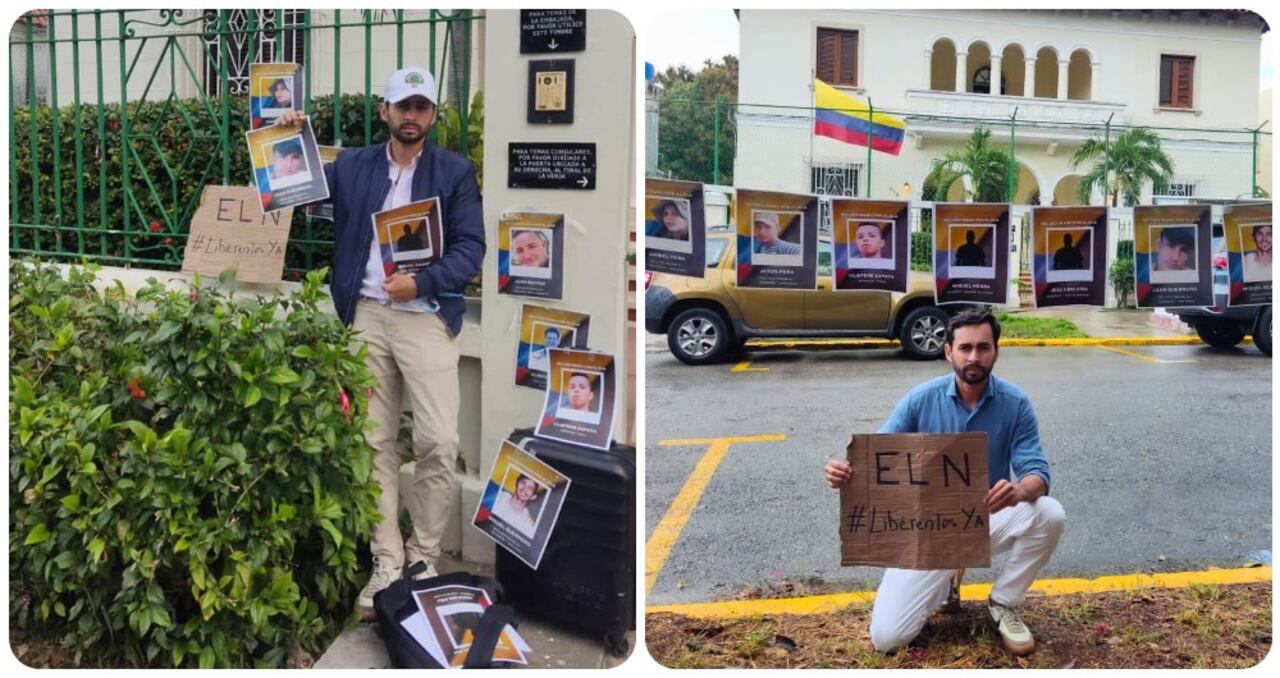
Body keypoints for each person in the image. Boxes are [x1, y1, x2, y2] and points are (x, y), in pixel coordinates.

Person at [277, 65, 485, 621]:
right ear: (384, 111)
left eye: (421, 107)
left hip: (424, 316)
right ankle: (387, 561)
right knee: (373, 444)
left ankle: (423, 558)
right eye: (402, 106)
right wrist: (291, 134)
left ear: (432, 115)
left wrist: (423, 281)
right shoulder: (354, 166)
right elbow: (298, 189)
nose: (411, 116)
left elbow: (471, 249)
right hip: (366, 316)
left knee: (439, 442)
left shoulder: (456, 172)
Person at [824, 310, 1064, 657]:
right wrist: (845, 472)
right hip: (928, 530)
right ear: (948, 351)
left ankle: (1002, 603)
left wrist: (1017, 491)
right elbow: (877, 456)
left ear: (996, 351)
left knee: (1050, 514)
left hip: (980, 518)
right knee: (887, 638)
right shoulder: (921, 398)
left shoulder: (1016, 404)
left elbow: (1037, 473)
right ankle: (946, 580)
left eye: (984, 348)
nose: (974, 357)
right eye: (965, 347)